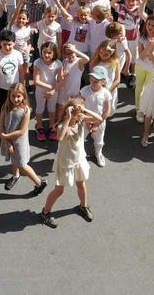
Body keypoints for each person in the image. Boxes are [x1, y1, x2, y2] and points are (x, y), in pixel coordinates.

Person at [39, 98, 103, 229]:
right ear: (69, 111)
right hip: (66, 162)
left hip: (79, 159)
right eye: (76, 109)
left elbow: (99, 119)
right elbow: (60, 137)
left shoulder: (80, 119)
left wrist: (85, 110)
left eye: (80, 108)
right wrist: (68, 118)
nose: (79, 111)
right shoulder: (63, 126)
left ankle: (83, 206)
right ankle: (45, 212)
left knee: (81, 184)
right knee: (59, 190)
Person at [0, 83, 48, 193]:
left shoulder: (26, 110)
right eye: (13, 96)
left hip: (19, 143)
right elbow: (1, 125)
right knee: (14, 158)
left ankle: (39, 183)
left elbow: (21, 131)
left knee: (21, 164)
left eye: (18, 96)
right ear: (9, 95)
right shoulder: (5, 106)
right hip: (8, 140)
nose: (15, 99)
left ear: (23, 96)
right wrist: (7, 142)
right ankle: (15, 176)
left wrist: (5, 136)